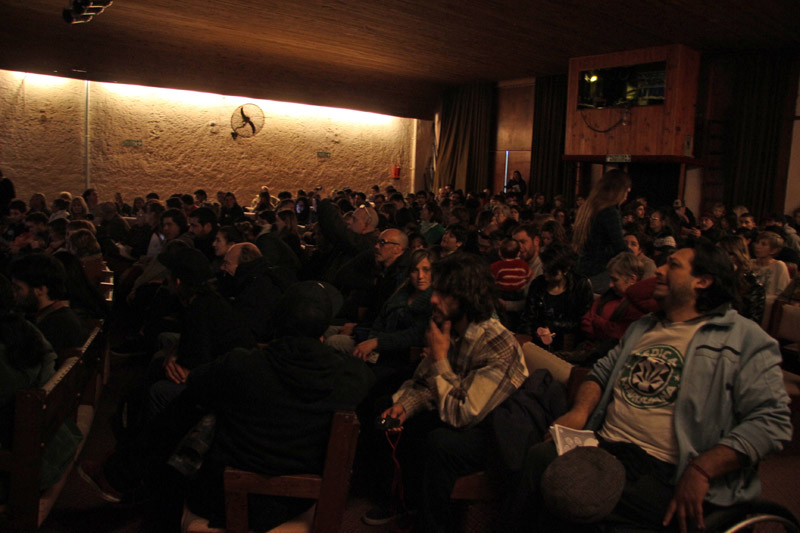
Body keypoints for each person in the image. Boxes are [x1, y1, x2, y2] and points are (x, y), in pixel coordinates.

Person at [515, 241, 792, 532]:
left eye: (672, 265)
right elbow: (600, 373)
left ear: (703, 281)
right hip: (607, 447)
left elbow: (771, 421)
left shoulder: (745, 339)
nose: (658, 270)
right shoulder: (644, 327)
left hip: (669, 468)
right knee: (539, 459)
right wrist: (580, 412)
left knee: (572, 495)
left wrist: (702, 468)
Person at [79, 280, 375, 530]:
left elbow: (197, 384)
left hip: (230, 493)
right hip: (301, 498)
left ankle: (125, 476)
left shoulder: (244, 366)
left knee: (187, 407)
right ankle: (125, 474)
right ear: (323, 330)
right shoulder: (352, 376)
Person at [366, 253, 528, 531]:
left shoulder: (498, 343)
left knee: (440, 442)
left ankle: (435, 524)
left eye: (443, 294)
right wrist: (405, 406)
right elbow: (424, 384)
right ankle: (402, 501)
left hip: (495, 430)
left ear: (466, 299)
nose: (432, 299)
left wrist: (440, 359)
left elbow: (463, 414)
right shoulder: (449, 326)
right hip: (458, 406)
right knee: (385, 408)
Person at [9, 253, 88, 365]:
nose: (14, 294)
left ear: (41, 289)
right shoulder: (57, 315)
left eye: (18, 288)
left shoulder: (56, 326)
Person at [518, 242, 594, 352]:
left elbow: (583, 319)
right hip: (539, 342)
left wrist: (554, 327)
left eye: (552, 273)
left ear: (566, 270)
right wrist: (528, 339)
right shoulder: (538, 284)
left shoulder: (580, 285)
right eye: (544, 270)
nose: (547, 276)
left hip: (569, 343)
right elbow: (528, 317)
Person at [573, 169, 631, 291]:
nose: (626, 196)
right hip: (599, 273)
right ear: (618, 191)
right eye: (626, 191)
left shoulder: (588, 208)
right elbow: (619, 246)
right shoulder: (609, 212)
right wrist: (637, 258)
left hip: (582, 269)